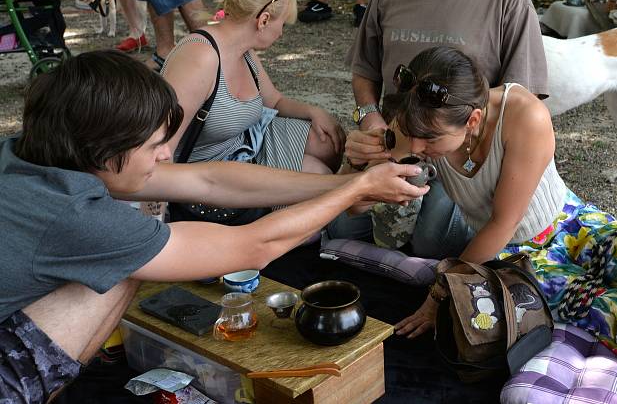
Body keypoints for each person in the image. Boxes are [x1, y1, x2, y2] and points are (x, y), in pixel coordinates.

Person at [348, 46, 617, 404]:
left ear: (473, 120)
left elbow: (503, 220)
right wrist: (358, 164)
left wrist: (439, 289)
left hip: (572, 223)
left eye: (430, 141)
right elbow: (354, 209)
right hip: (521, 258)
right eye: (414, 136)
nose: (420, 149)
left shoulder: (523, 114)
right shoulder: (420, 122)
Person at [0, 50, 427, 404]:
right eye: (153, 147)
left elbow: (210, 179)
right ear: (103, 151)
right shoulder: (74, 216)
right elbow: (252, 247)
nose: (166, 155)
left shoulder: (30, 153)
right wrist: (354, 193)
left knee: (125, 263)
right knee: (129, 264)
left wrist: (347, 183)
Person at [340, 0, 548, 251]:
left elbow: (521, 100)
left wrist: (465, 152)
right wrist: (370, 119)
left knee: (430, 241)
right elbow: (365, 70)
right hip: (396, 137)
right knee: (343, 225)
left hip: (456, 149)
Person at [161, 0, 344, 196]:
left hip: (244, 144)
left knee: (328, 142)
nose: (281, 34)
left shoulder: (244, 49)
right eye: (283, 25)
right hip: (208, 170)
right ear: (264, 20)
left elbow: (274, 100)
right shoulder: (200, 58)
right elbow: (161, 148)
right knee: (319, 178)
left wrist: (313, 111)